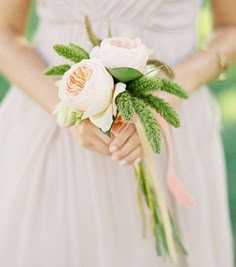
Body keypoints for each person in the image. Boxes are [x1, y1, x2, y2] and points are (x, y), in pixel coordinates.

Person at [0, 0, 235, 266]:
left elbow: (231, 26)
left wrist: (175, 85)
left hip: (173, 132)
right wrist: (67, 107)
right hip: (51, 133)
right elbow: (4, 30)